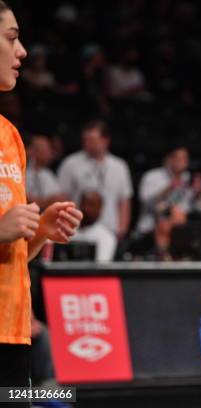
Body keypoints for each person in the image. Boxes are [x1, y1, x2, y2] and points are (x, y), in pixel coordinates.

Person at [0, 0, 83, 393]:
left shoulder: (11, 137)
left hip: (13, 332)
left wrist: (40, 232)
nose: (23, 52)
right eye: (11, 38)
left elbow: (11, 249)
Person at [57, 120, 133, 238]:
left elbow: (124, 201)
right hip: (77, 230)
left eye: (91, 140)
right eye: (85, 140)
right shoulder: (70, 163)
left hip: (110, 229)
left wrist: (122, 230)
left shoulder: (119, 166)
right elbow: (62, 198)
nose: (87, 144)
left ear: (105, 140)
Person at [135, 144, 201, 235]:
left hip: (180, 233)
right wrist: (170, 188)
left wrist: (199, 193)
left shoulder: (189, 179)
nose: (182, 162)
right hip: (151, 230)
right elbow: (147, 203)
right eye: (178, 158)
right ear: (168, 159)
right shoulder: (152, 176)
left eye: (185, 158)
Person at [71, 191, 117, 262]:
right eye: (84, 203)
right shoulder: (66, 230)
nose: (86, 208)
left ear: (100, 208)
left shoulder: (107, 237)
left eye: (92, 205)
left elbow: (101, 267)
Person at [25, 133, 66, 209]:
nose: (49, 153)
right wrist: (46, 202)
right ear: (32, 151)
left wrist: (41, 202)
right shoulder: (21, 173)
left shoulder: (48, 174)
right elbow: (25, 200)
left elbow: (60, 199)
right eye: (45, 149)